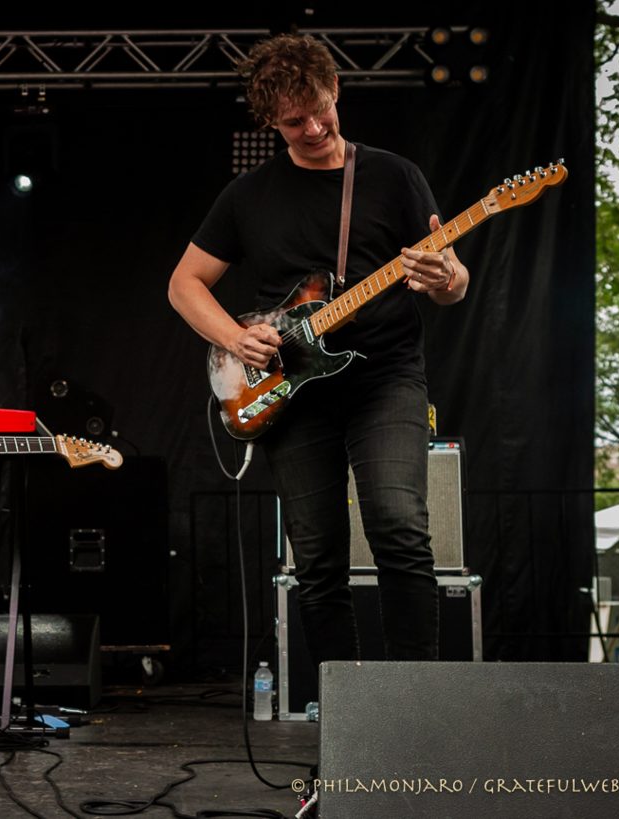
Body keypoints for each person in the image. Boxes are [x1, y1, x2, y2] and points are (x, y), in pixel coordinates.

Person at [168, 34, 470, 687]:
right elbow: (184, 283)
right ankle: (347, 721)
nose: (310, 129)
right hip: (293, 390)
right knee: (317, 559)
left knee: (398, 525)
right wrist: (233, 336)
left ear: (336, 92)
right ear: (270, 121)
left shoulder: (394, 176)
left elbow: (453, 283)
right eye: (292, 121)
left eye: (318, 112)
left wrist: (444, 274)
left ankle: (417, 703)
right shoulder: (249, 195)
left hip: (385, 374)